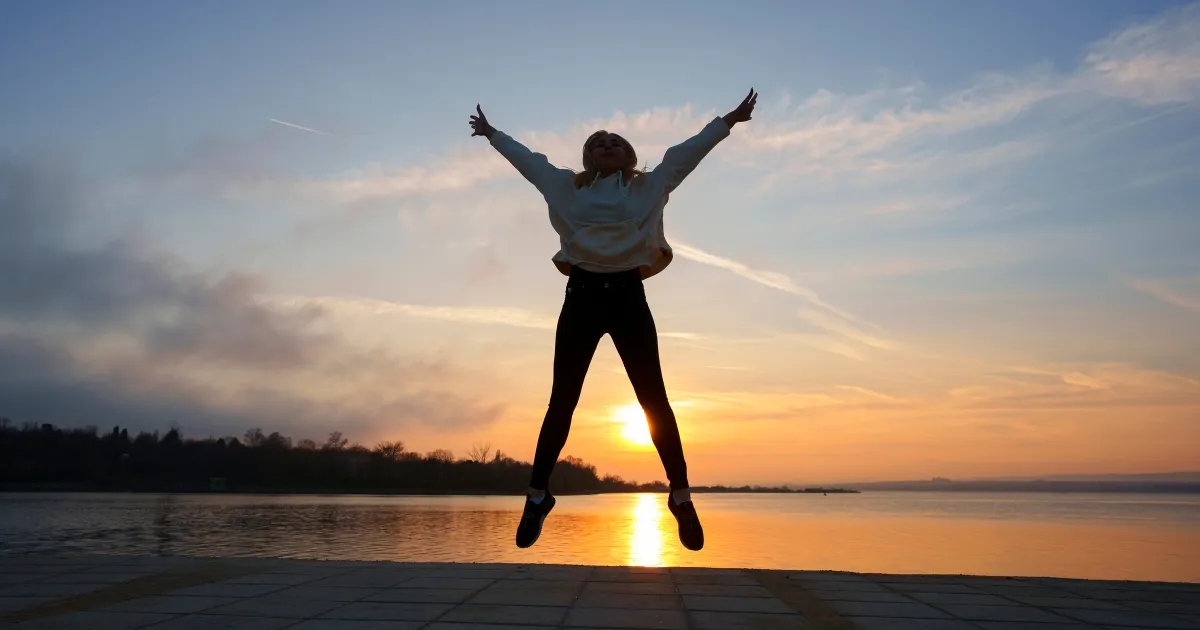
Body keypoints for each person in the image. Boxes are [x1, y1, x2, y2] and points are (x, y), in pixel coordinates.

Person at [469, 89, 758, 551]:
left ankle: (680, 496)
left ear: (629, 156)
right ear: (587, 157)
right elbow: (528, 161)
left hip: (628, 297)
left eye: (616, 142)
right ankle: (537, 496)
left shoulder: (649, 186)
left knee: (653, 400)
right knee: (561, 402)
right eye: (598, 142)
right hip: (581, 297)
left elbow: (686, 153)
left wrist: (728, 121)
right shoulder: (564, 186)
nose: (607, 144)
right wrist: (491, 134)